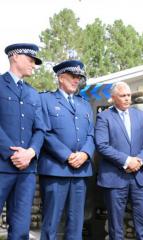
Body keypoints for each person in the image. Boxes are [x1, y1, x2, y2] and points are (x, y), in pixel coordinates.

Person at [38, 60, 95, 239]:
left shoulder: (84, 104)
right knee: (51, 222)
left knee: (76, 223)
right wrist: (67, 155)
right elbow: (44, 132)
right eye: (73, 76)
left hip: (81, 172)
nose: (76, 80)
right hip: (56, 169)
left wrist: (85, 154)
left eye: (79, 77)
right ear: (61, 77)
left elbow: (91, 135)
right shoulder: (45, 100)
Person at [95, 82, 143, 240]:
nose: (127, 98)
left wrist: (139, 161)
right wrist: (127, 161)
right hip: (114, 178)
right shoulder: (104, 117)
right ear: (113, 98)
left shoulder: (139, 116)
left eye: (129, 95)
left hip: (139, 177)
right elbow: (101, 145)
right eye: (123, 96)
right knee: (116, 227)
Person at [0, 43, 44, 239]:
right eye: (30, 59)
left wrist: (31, 152)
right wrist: (13, 154)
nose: (34, 65)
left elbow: (41, 129)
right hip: (1, 166)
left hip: (26, 169)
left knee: (20, 228)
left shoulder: (33, 93)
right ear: (15, 57)